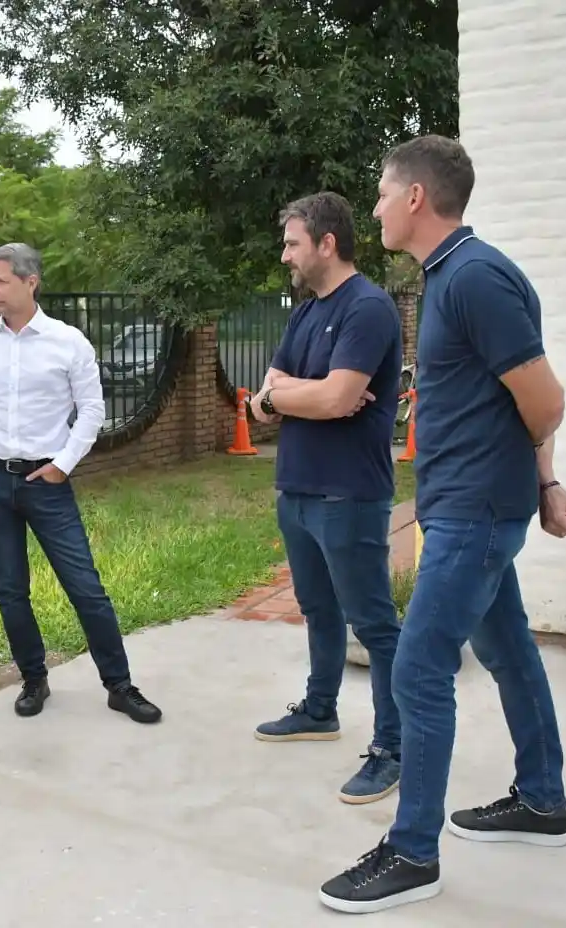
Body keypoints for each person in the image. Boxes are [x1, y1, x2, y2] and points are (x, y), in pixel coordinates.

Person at [318, 136, 566, 915]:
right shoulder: (449, 277)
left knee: (415, 668)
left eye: (379, 191)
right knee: (508, 652)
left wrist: (537, 480)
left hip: (475, 510)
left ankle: (412, 853)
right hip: (469, 507)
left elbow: (544, 400)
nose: (372, 204)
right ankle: (542, 802)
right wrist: (541, 482)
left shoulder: (473, 278)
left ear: (414, 198)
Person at [0, 242, 162, 724]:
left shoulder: (68, 342)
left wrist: (64, 463)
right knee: (10, 590)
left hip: (46, 481)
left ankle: (119, 685)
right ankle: (33, 677)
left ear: (30, 281)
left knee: (85, 587)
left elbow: (92, 410)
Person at [248, 192, 405, 806]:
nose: (284, 253)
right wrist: (296, 394)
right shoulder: (305, 313)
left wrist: (303, 394)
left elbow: (336, 401)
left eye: (292, 243)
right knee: (317, 609)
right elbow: (264, 400)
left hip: (349, 493)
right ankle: (319, 710)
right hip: (296, 486)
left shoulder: (369, 309)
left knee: (373, 624)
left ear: (326, 243)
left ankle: (392, 746)